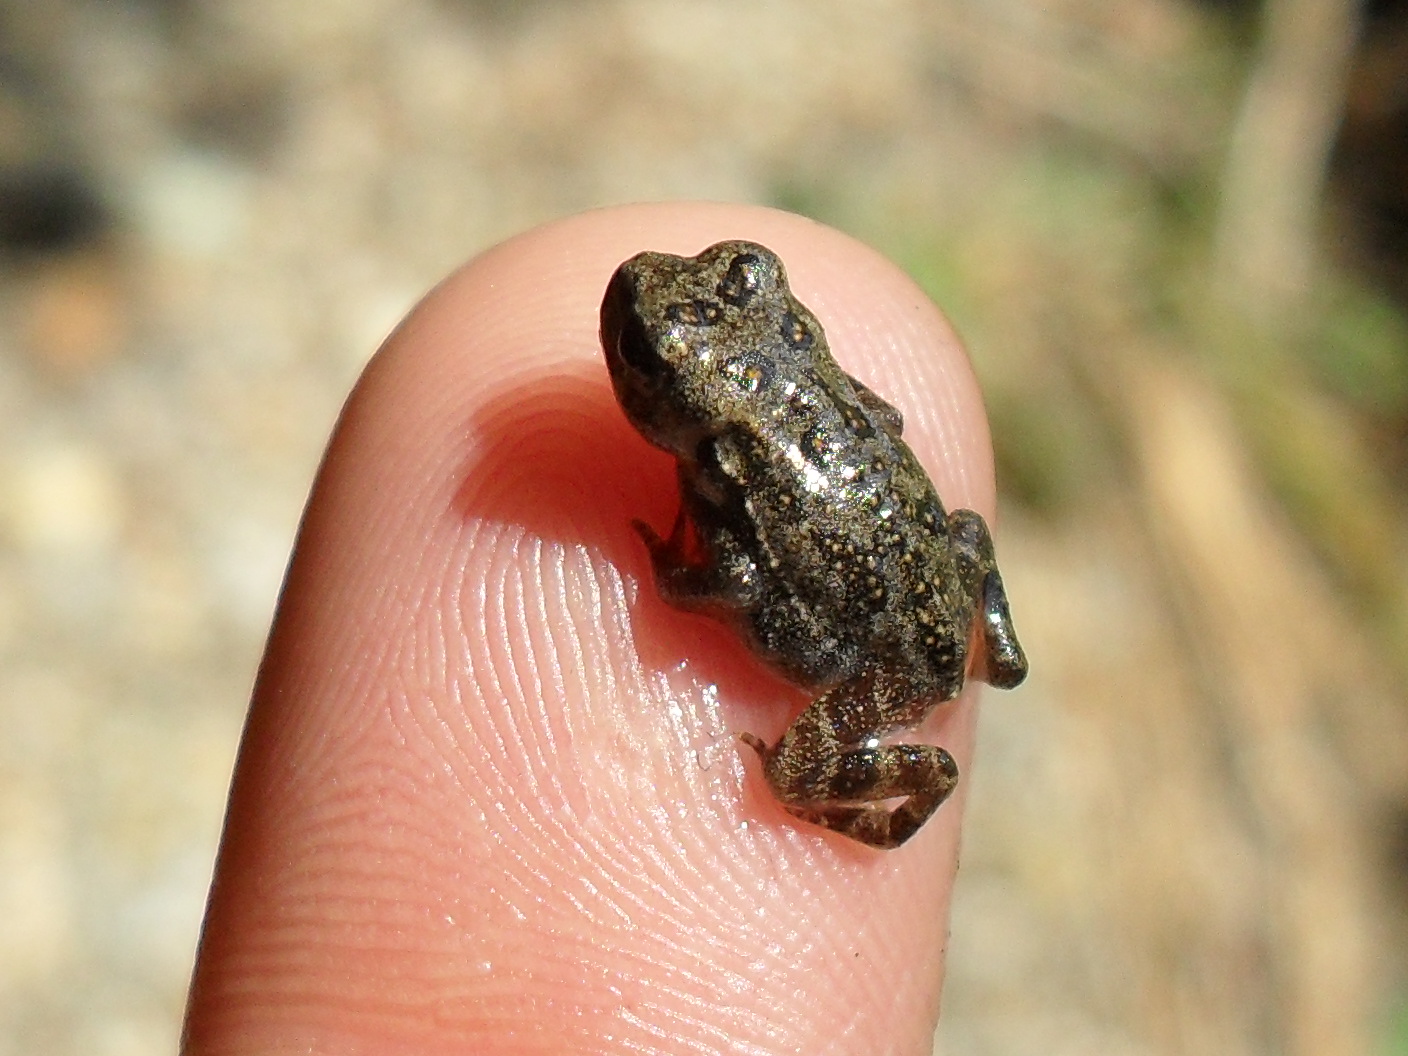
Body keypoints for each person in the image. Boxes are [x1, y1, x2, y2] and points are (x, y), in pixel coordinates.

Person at [180, 202, 998, 1054]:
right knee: (966, 534)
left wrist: (678, 577)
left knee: (791, 773)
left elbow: (738, 579)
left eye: (652, 360)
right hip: (940, 576)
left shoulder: (732, 456)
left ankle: (904, 783)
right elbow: (889, 429)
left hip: (875, 664)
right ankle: (992, 651)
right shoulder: (777, 415)